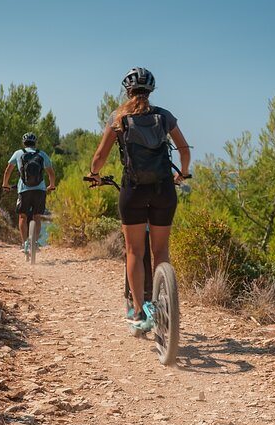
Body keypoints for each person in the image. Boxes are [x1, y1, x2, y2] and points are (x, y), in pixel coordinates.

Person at [89, 67, 191, 324]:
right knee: (161, 251)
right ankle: (164, 301)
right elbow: (183, 150)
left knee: (135, 251)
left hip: (133, 190)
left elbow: (99, 157)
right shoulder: (164, 116)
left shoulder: (118, 117)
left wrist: (95, 175)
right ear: (151, 91)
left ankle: (138, 311)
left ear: (128, 90)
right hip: (163, 189)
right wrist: (183, 174)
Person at [2, 132, 56, 254]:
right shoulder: (42, 154)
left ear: (24, 143)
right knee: (37, 216)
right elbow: (51, 173)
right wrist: (51, 185)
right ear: (35, 143)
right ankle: (35, 243)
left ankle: (25, 243)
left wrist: (5, 184)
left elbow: (7, 171)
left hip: (23, 190)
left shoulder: (18, 153)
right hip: (40, 190)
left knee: (22, 216)